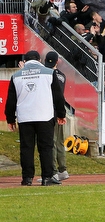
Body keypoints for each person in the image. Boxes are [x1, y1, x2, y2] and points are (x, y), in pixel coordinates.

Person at [5, 50, 67, 186]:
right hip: (44, 115)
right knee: (46, 147)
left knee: (26, 148)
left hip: (25, 116)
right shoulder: (49, 73)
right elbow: (58, 96)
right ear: (39, 60)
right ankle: (47, 177)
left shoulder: (16, 76)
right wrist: (61, 115)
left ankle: (27, 178)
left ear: (25, 62)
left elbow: (10, 100)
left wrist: (10, 119)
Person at [45, 51, 71, 181]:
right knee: (60, 141)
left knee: (51, 142)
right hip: (60, 110)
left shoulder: (46, 74)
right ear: (57, 62)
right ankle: (63, 169)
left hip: (49, 111)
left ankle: (53, 172)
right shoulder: (62, 76)